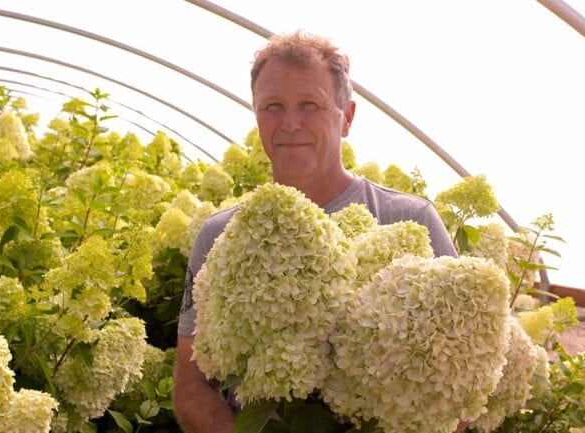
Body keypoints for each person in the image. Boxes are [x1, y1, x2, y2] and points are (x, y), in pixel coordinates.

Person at [174, 30, 465, 433]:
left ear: (346, 117)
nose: (290, 123)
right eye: (272, 106)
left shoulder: (410, 219)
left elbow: (460, 377)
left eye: (309, 104)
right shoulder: (218, 235)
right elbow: (191, 386)